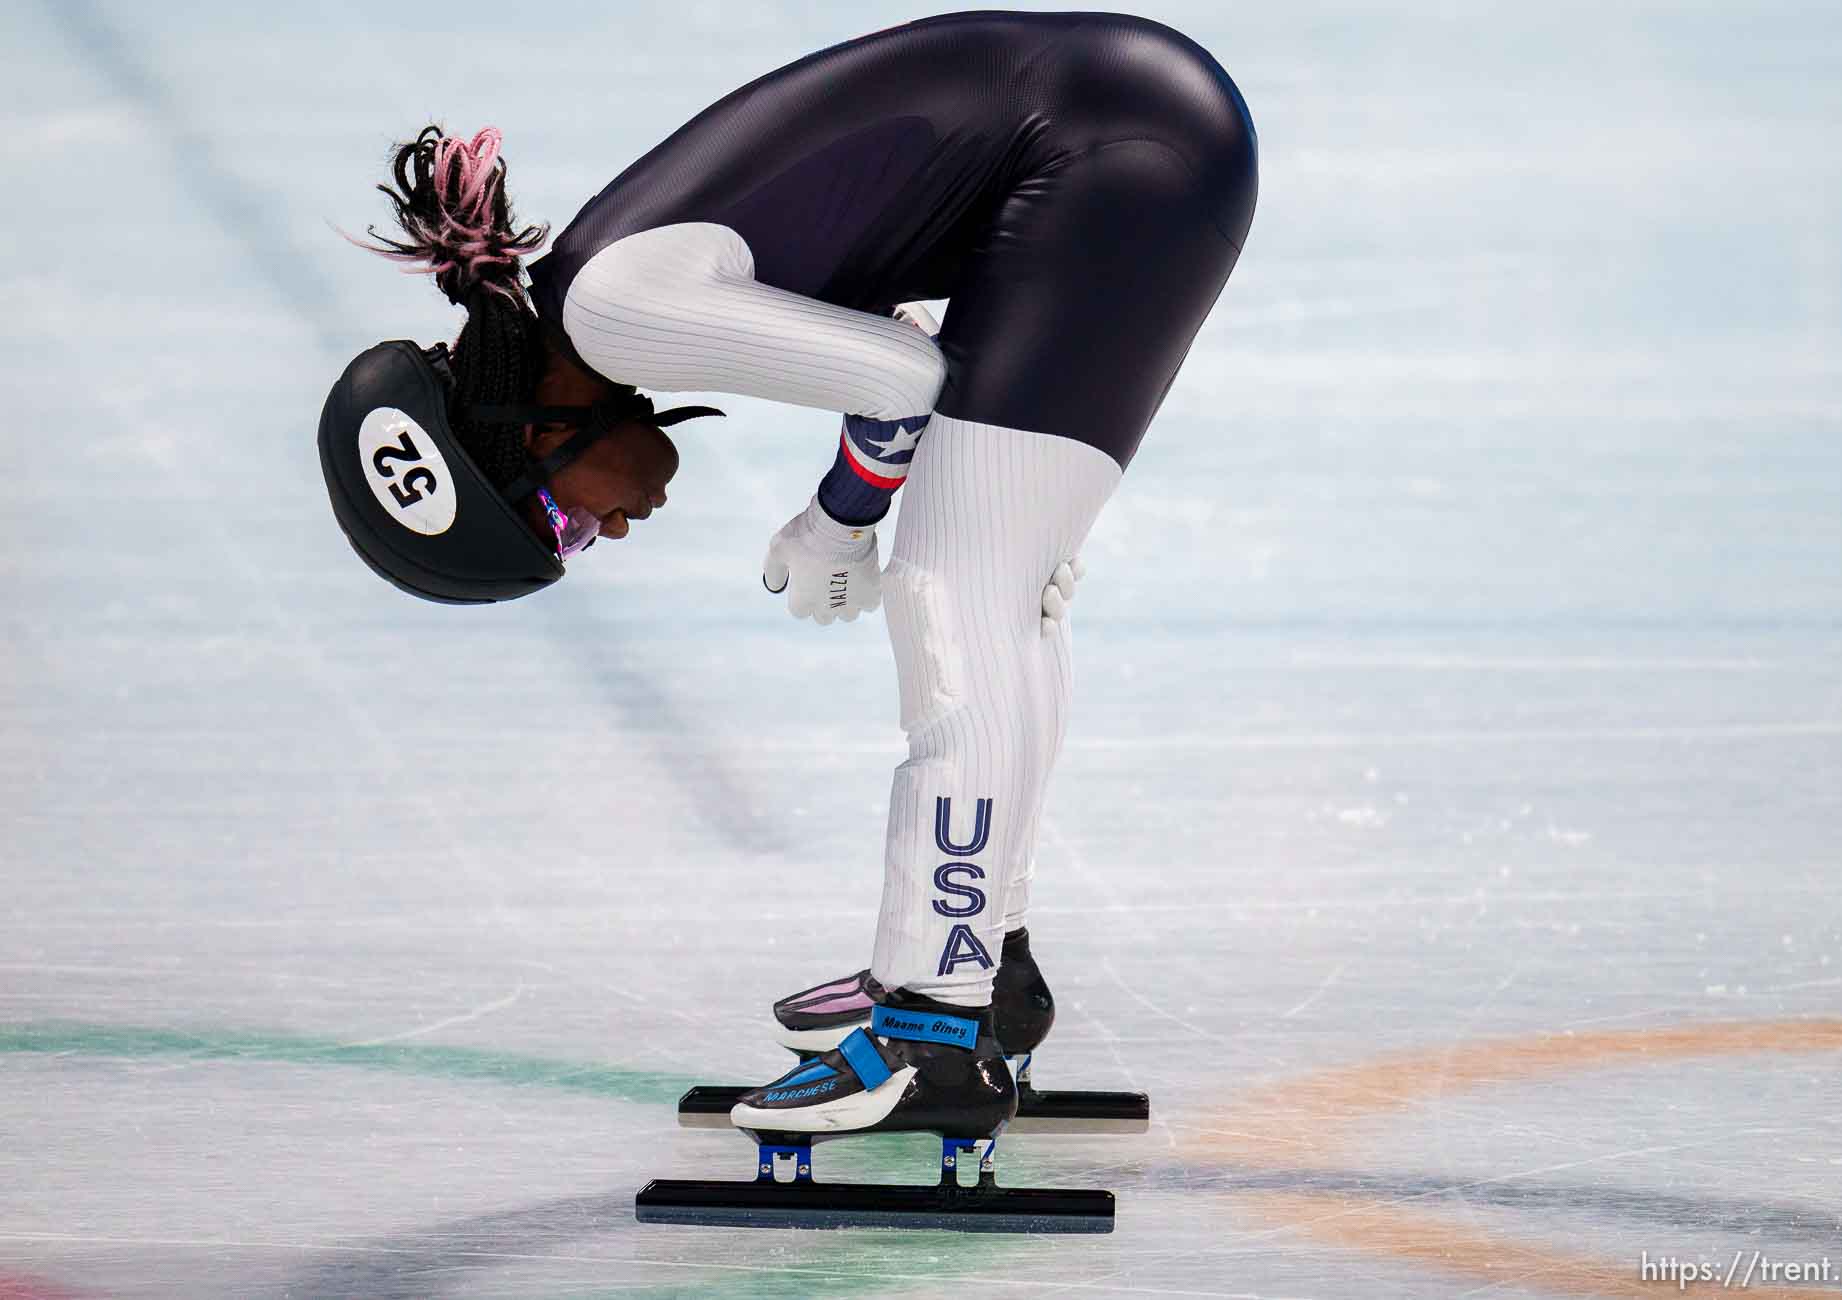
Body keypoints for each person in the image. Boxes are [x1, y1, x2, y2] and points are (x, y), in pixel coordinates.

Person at [319, 10, 1256, 1144]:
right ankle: (975, 968)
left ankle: (936, 1027)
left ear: (523, 435)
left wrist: (835, 522)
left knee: (956, 593)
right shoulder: (606, 289)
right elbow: (896, 316)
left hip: (1116, 151)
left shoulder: (613, 314)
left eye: (558, 524)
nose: (601, 533)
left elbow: (904, 372)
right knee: (990, 588)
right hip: (1127, 134)